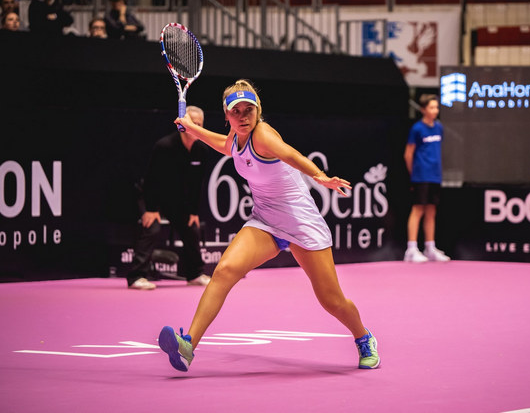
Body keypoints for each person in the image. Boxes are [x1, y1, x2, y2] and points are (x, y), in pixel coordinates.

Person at [157, 79, 380, 371]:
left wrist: (320, 177)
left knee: (331, 300)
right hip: (265, 220)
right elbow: (225, 146)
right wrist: (193, 129)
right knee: (224, 271)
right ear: (226, 115)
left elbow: (290, 154)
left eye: (248, 110)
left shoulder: (262, 134)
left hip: (301, 224)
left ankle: (363, 337)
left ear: (258, 110)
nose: (243, 116)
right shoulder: (236, 137)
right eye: (236, 111)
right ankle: (187, 346)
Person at [127, 106, 212, 290]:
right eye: (193, 123)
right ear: (183, 124)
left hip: (177, 201)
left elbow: (197, 185)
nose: (196, 127)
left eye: (200, 124)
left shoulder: (202, 150)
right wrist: (151, 209)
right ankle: (136, 277)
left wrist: (193, 212)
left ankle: (195, 274)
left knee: (192, 228)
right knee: (152, 227)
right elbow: (151, 180)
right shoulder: (164, 146)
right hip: (152, 196)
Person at [403, 94, 450, 263]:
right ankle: (411, 249)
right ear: (423, 110)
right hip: (420, 176)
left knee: (431, 211)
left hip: (435, 176)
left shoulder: (439, 128)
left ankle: (430, 248)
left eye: (436, 107)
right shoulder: (417, 129)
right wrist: (414, 174)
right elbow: (408, 154)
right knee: (418, 210)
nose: (435, 110)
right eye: (431, 107)